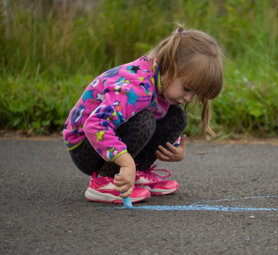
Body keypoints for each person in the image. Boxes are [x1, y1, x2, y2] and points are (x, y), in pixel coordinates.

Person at [63, 24, 223, 203]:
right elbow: (94, 125)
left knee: (177, 117)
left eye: (194, 94)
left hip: (104, 138)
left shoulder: (160, 79)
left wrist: (176, 148)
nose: (188, 98)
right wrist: (125, 161)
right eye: (186, 88)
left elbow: (160, 110)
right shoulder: (136, 89)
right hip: (84, 145)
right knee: (144, 120)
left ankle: (136, 173)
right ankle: (105, 181)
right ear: (170, 66)